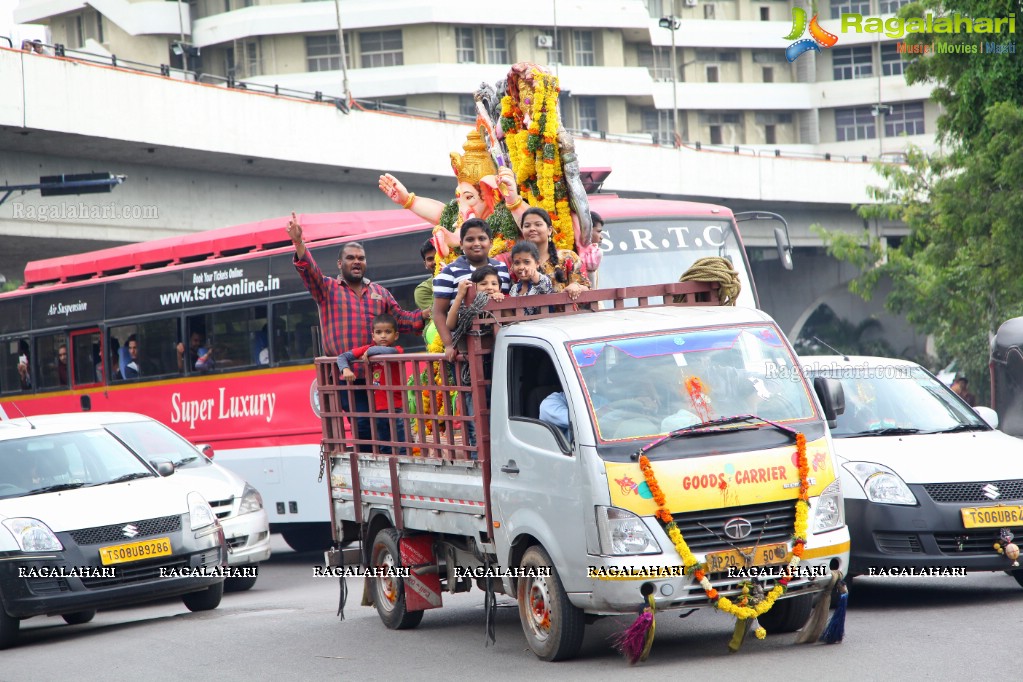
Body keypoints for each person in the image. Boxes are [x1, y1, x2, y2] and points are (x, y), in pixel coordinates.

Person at [287, 212, 425, 444]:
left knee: (388, 427)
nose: (357, 261)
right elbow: (309, 271)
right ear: (340, 264)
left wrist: (430, 313)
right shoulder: (327, 288)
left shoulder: (379, 292)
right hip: (348, 376)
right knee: (361, 425)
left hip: (380, 375)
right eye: (351, 258)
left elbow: (402, 320)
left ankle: (387, 469)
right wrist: (299, 243)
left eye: (361, 258)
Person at [432, 218, 511, 363]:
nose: (476, 243)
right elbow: (438, 312)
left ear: (491, 242)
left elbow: (506, 301)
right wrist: (449, 344)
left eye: (482, 238)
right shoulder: (449, 273)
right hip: (466, 348)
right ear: (461, 244)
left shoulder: (502, 269)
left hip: (501, 344)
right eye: (470, 239)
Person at [445, 265, 506, 448]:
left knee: (497, 415)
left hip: (495, 368)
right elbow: (450, 323)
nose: (490, 287)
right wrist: (460, 296)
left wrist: (499, 302)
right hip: (472, 371)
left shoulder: (502, 302)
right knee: (475, 418)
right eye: (483, 283)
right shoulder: (467, 307)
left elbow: (510, 318)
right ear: (473, 288)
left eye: (494, 283)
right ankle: (476, 452)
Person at [336, 313, 406, 454]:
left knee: (402, 446)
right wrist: (345, 369)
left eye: (388, 332)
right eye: (379, 332)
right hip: (378, 409)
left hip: (398, 407)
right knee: (384, 446)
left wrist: (369, 351)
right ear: (373, 336)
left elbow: (388, 351)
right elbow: (342, 357)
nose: (383, 336)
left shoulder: (397, 350)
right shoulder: (368, 349)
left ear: (396, 335)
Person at [511, 207, 590, 300]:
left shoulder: (568, 257)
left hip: (567, 313)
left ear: (549, 230)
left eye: (538, 224)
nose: (532, 229)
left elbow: (587, 289)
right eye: (527, 226)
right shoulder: (518, 262)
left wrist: (577, 287)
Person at [509, 241, 554, 315]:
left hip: (542, 325)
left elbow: (546, 287)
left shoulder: (543, 282)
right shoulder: (514, 288)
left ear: (537, 263)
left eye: (526, 262)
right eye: (517, 263)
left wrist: (534, 275)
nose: (521, 267)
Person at [414, 239, 439, 348]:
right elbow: (440, 311)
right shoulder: (423, 290)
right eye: (430, 259)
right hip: (441, 345)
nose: (435, 261)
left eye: (438, 256)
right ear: (425, 264)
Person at [578, 210, 604, 284]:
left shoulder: (594, 255)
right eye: (598, 231)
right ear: (587, 230)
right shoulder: (575, 256)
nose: (601, 237)